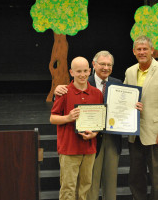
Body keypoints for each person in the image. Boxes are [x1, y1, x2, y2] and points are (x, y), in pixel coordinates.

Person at [55, 51, 135, 200]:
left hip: (111, 138)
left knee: (110, 184)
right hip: (88, 141)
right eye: (102, 64)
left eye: (109, 65)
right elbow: (62, 99)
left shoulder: (118, 83)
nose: (105, 67)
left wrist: (134, 106)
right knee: (88, 185)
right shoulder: (83, 80)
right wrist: (57, 90)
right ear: (93, 65)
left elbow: (124, 107)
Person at [123, 35, 158, 200]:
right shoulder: (130, 71)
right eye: (138, 49)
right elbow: (123, 98)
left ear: (152, 50)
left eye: (145, 48)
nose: (142, 52)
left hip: (156, 134)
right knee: (136, 177)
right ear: (133, 52)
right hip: (135, 133)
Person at [50, 56, 103, 200]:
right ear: (71, 72)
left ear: (90, 71)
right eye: (78, 71)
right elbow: (52, 118)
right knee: (68, 189)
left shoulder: (97, 94)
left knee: (85, 187)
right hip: (69, 149)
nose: (82, 74)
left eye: (85, 71)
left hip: (89, 148)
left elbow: (99, 121)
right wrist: (68, 118)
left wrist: (94, 134)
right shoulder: (64, 92)